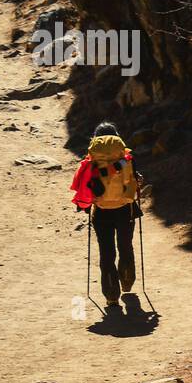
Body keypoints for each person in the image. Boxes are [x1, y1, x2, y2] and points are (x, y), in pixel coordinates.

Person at [70, 121, 142, 312]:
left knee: (107, 253)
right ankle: (127, 282)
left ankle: (111, 297)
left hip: (101, 212)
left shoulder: (91, 161)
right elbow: (135, 181)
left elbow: (83, 185)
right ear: (117, 137)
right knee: (125, 246)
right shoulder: (126, 158)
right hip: (125, 209)